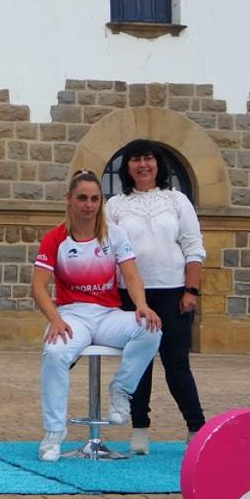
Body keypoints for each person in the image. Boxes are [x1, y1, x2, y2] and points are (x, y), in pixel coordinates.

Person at [32, 169, 162, 462]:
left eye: (94, 199)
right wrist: (55, 320)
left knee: (151, 328)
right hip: (72, 316)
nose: (88, 205)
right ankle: (53, 434)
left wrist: (141, 304)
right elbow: (38, 287)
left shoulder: (114, 234)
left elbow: (131, 275)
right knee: (54, 352)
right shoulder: (55, 238)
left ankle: (121, 390)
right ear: (69, 199)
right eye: (82, 198)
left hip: (107, 315)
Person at [106, 140, 207, 455]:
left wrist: (191, 290)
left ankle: (196, 428)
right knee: (139, 365)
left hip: (173, 294)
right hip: (131, 296)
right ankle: (140, 429)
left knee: (177, 364)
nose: (143, 165)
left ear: (158, 164)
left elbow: (193, 247)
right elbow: (107, 252)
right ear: (127, 167)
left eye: (148, 158)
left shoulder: (177, 200)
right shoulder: (115, 205)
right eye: (135, 160)